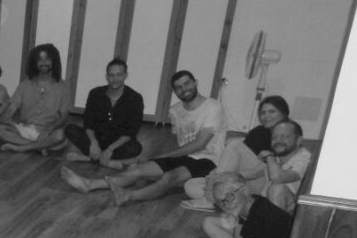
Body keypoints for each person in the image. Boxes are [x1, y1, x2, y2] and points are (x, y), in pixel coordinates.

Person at [61, 70, 226, 206]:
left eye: (187, 84)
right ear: (174, 91)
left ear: (195, 83)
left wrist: (165, 156)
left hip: (208, 160)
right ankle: (89, 184)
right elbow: (181, 141)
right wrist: (161, 160)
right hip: (184, 157)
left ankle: (128, 195)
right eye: (178, 87)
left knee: (169, 177)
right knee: (136, 170)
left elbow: (199, 144)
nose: (184, 89)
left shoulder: (213, 106)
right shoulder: (175, 110)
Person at [184, 114, 309, 214]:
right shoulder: (275, 152)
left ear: (299, 140)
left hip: (269, 199)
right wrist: (217, 176)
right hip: (255, 194)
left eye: (285, 136)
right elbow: (253, 172)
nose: (278, 140)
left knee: (235, 146)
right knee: (191, 185)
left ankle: (213, 199)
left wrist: (221, 180)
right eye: (275, 137)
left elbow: (276, 177)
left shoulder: (302, 157)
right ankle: (222, 200)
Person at [64, 58, 144, 167]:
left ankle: (87, 158)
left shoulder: (135, 98)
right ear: (106, 76)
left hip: (118, 143)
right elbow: (88, 122)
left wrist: (110, 149)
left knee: (135, 148)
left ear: (125, 75)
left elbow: (131, 131)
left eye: (119, 75)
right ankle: (109, 161)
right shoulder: (95, 93)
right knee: (70, 129)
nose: (114, 79)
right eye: (111, 75)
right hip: (97, 138)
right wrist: (93, 143)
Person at [0, 44, 70, 155]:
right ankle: (37, 147)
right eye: (40, 60)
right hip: (24, 128)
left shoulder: (62, 87)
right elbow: (12, 107)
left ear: (54, 61)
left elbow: (64, 116)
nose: (44, 63)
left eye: (47, 59)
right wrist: (2, 120)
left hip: (47, 132)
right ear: (34, 63)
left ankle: (22, 147)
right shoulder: (25, 84)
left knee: (60, 135)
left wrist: (50, 128)